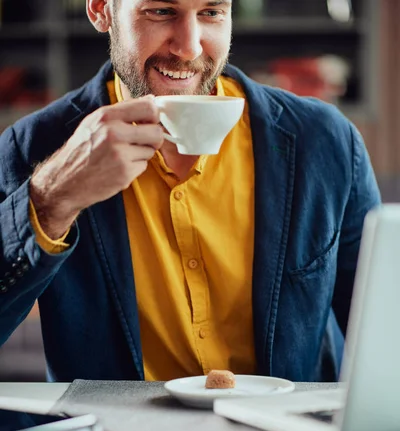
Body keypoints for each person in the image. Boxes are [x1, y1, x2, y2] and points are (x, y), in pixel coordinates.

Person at [0, 0, 381, 384]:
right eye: (161, 12)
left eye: (211, 12)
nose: (190, 48)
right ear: (101, 10)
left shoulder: (324, 140)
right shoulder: (33, 149)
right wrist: (52, 198)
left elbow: (383, 329)